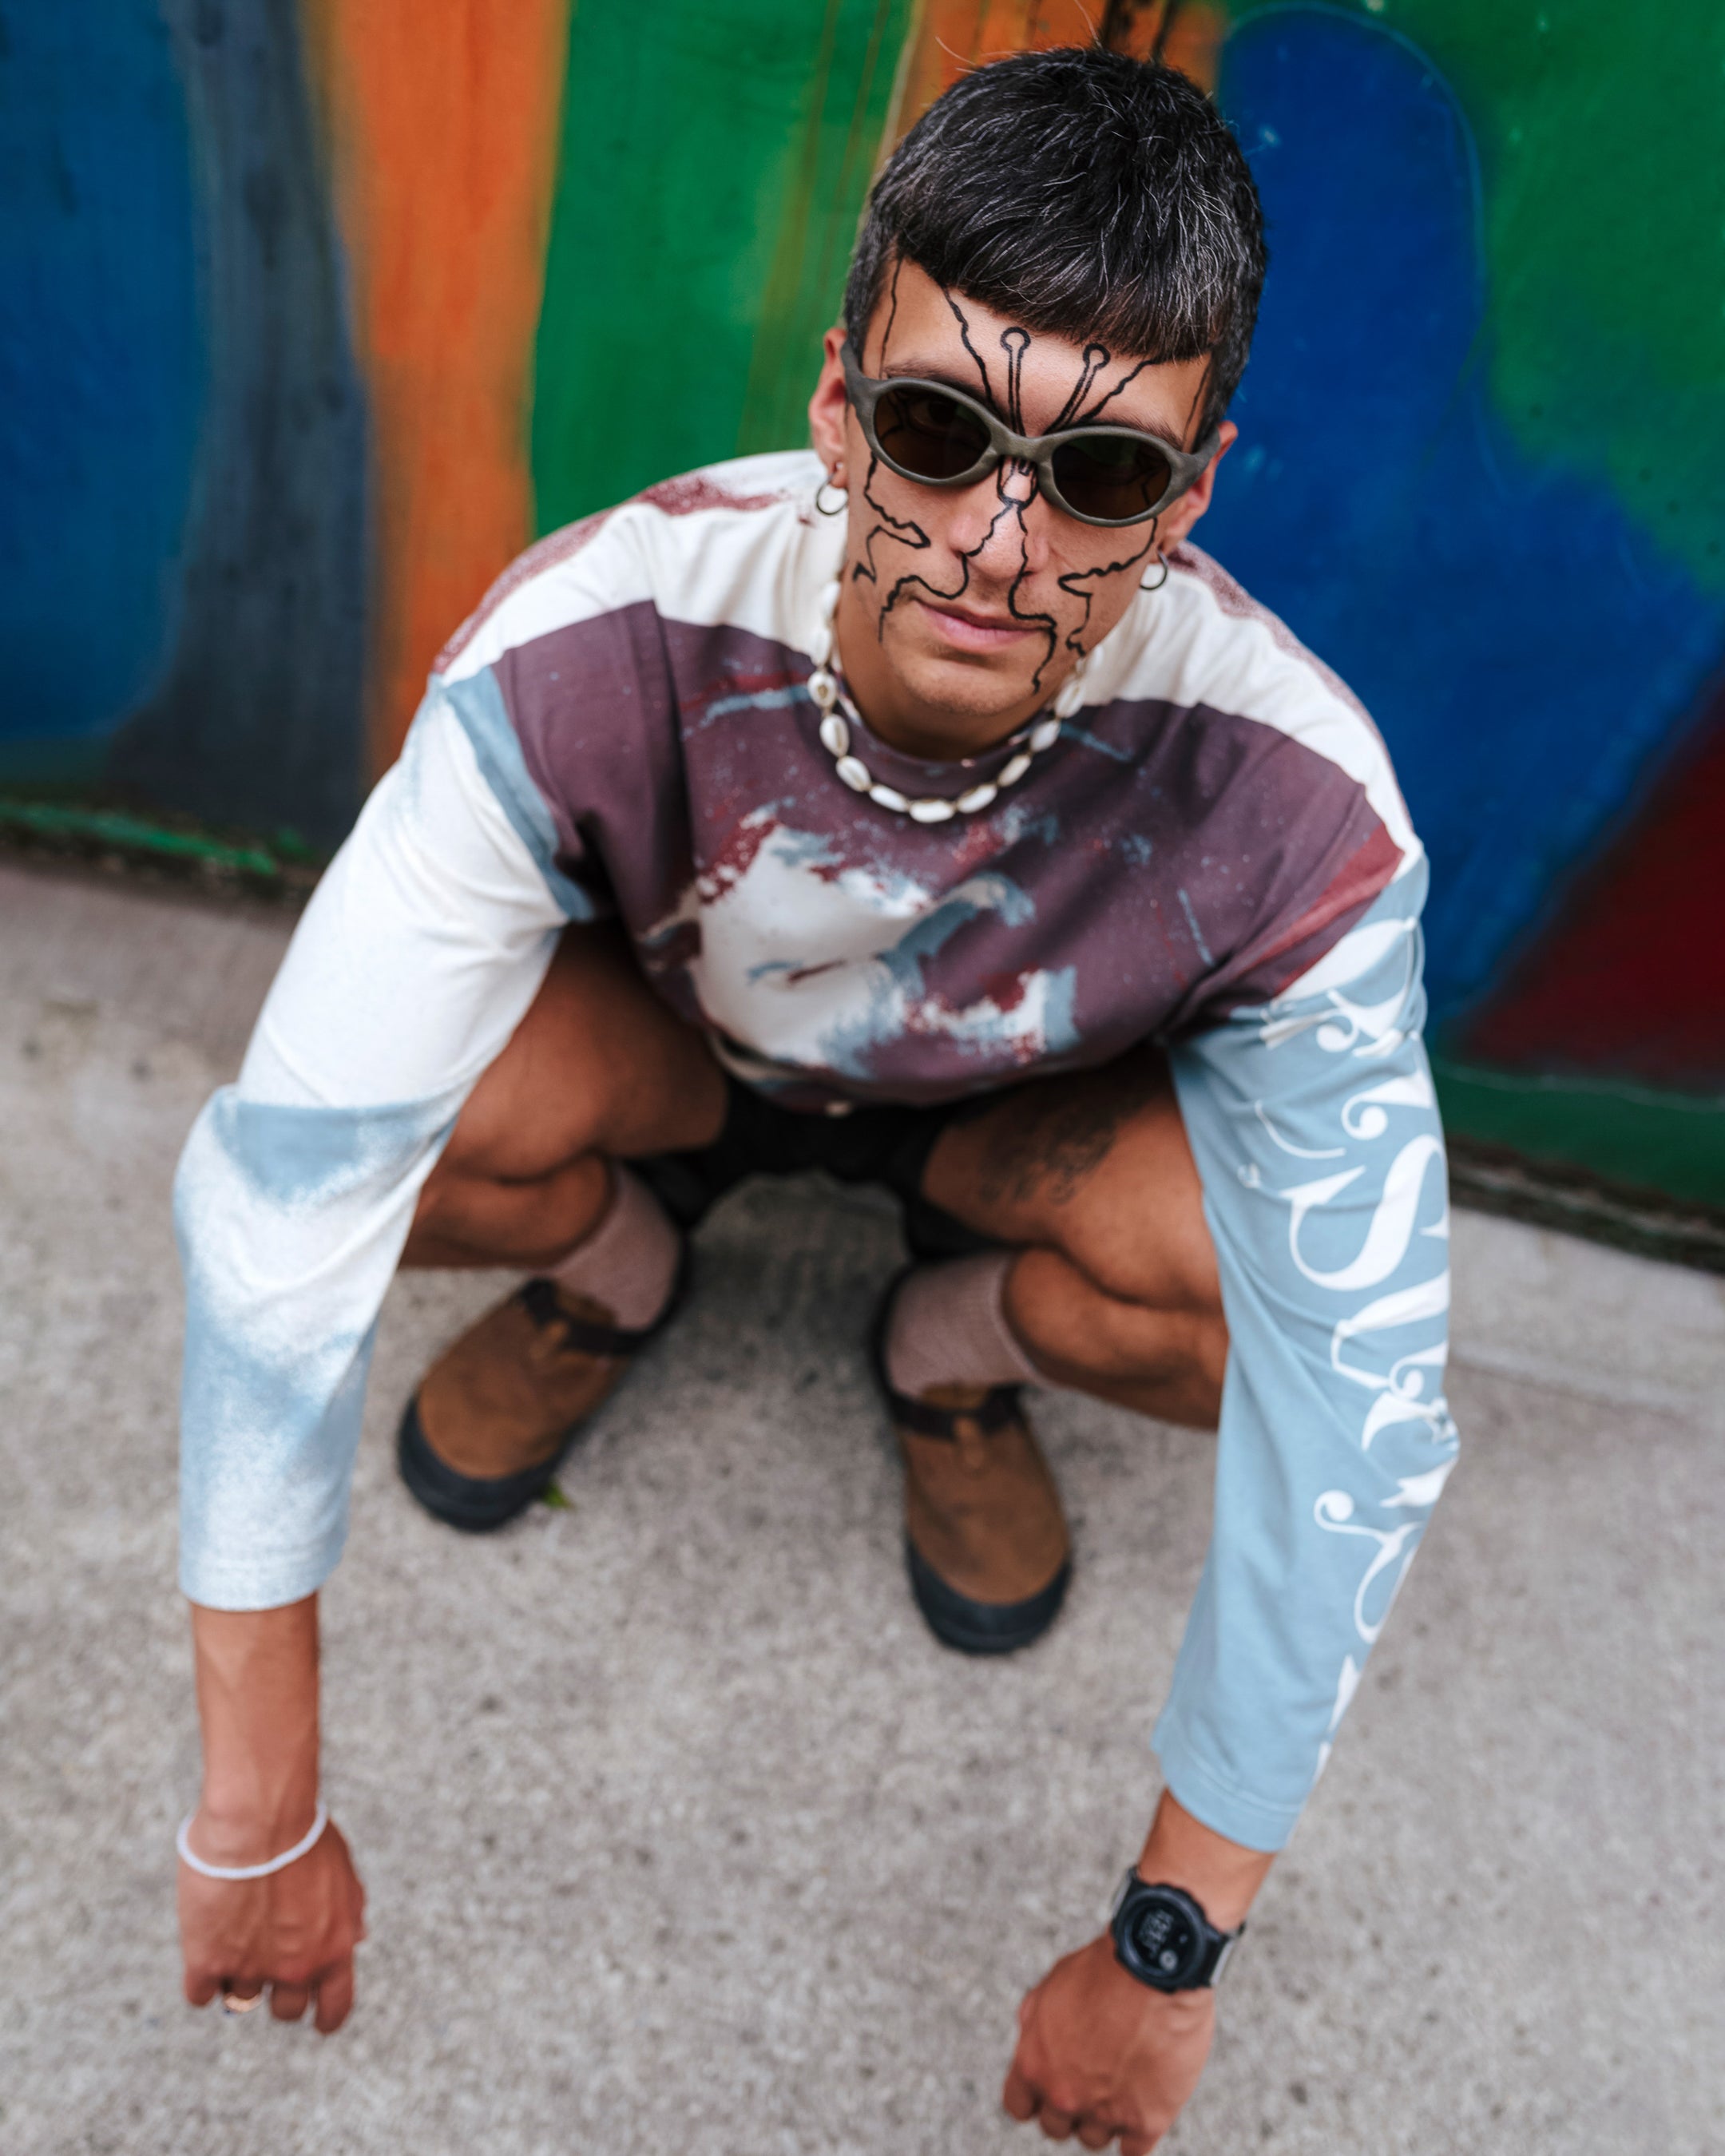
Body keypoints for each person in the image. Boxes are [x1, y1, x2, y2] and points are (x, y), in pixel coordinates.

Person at [172, 46, 1457, 2151]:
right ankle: (614, 1265)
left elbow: (1365, 1405)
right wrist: (254, 1811)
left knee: (1258, 1305)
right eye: (943, 434)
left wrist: (1167, 1951)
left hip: (1001, 1135)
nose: (999, 545)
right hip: (679, 1059)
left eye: (1099, 477)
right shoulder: (595, 634)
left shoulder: (1299, 799)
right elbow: (280, 1193)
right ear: (842, 410)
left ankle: (946, 1352)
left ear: (1191, 494)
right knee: (396, 1131)